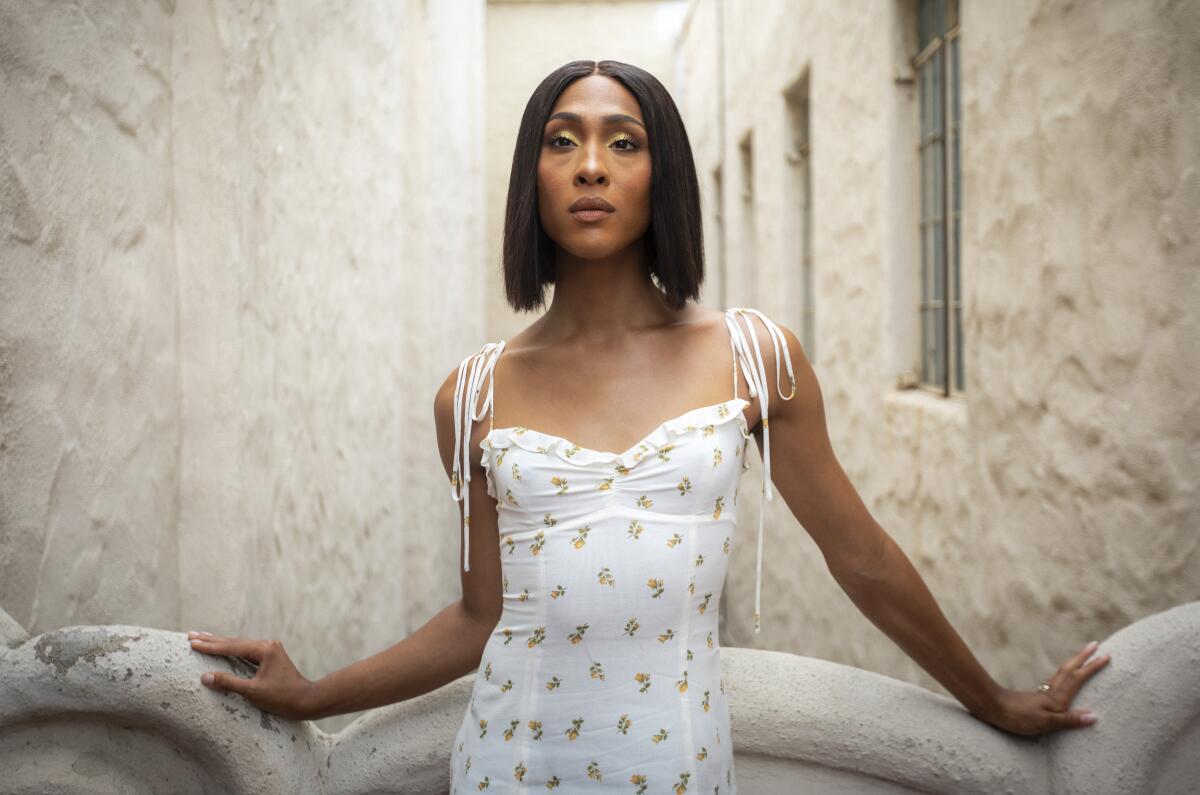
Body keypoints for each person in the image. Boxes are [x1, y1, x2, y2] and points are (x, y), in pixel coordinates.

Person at [186, 59, 1110, 792]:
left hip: (677, 763)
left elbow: (860, 558)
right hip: (510, 762)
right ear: (533, 177)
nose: (591, 164)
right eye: (563, 142)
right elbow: (479, 618)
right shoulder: (470, 395)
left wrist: (993, 699)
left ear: (658, 171)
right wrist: (312, 694)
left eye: (622, 142)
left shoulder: (757, 357)